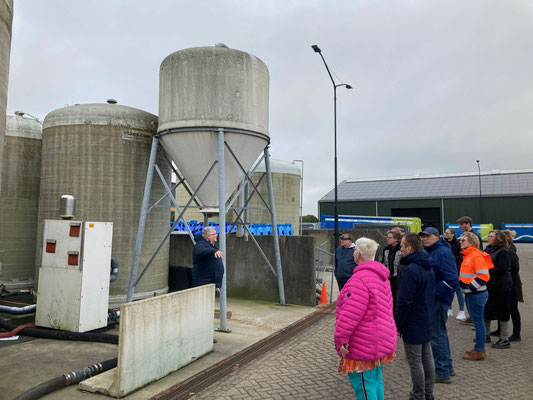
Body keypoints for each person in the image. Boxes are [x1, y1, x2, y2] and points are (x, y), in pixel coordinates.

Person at [334, 237, 397, 400]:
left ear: (357, 254)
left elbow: (349, 316)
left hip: (363, 342)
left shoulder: (358, 281)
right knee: (375, 380)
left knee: (363, 385)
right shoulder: (382, 277)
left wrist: (340, 340)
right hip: (380, 338)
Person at [395, 233, 435, 400]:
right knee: (427, 357)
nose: (401, 249)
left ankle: (419, 396)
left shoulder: (411, 270)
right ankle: (428, 394)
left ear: (409, 248)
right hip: (426, 317)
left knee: (415, 361)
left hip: (414, 321)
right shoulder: (428, 266)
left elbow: (404, 301)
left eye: (403, 247)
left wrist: (397, 325)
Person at [419, 227, 458, 384]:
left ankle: (442, 372)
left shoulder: (442, 252)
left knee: (436, 335)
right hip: (436, 299)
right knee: (440, 333)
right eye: (423, 237)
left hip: (438, 300)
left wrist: (432, 294)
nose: (425, 239)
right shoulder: (432, 251)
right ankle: (447, 368)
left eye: (428, 236)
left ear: (436, 237)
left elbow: (452, 280)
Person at [458, 232, 493, 361]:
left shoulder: (476, 256)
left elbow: (484, 276)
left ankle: (479, 351)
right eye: (461, 240)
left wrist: (469, 288)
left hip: (476, 294)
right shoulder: (469, 255)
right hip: (472, 294)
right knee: (478, 323)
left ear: (472, 243)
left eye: (463, 240)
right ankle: (479, 348)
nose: (460, 242)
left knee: (478, 323)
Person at [484, 230, 514, 349]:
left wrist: (486, 270)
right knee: (486, 310)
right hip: (490, 286)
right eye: (489, 236)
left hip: (501, 287)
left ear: (499, 239)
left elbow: (503, 269)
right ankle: (485, 335)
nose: (489, 238)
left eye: (492, 236)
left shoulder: (503, 252)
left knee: (503, 312)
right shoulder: (489, 250)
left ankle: (504, 338)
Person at [502, 230, 523, 342]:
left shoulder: (510, 250)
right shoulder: (507, 249)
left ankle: (516, 333)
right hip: (509, 282)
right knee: (505, 307)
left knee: (513, 309)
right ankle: (500, 329)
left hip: (512, 284)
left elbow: (515, 268)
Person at [443, 227, 467, 321]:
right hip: (446, 269)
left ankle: (461, 311)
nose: (446, 234)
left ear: (453, 234)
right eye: (445, 233)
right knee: (448, 289)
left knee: (458, 290)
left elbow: (460, 257)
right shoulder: (444, 242)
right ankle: (449, 309)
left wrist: (450, 256)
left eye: (448, 233)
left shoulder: (458, 243)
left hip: (456, 269)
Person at [381, 229, 403, 311]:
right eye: (387, 237)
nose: (387, 239)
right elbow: (383, 262)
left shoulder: (401, 249)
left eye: (390, 237)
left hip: (398, 278)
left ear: (396, 239)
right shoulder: (386, 249)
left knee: (397, 299)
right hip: (388, 278)